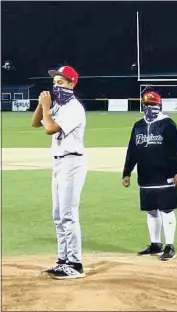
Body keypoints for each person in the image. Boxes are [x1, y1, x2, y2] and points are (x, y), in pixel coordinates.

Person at [31, 65, 87, 279]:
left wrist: (46, 106)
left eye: (61, 82)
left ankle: (75, 263)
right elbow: (36, 123)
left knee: (68, 214)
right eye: (54, 83)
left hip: (72, 162)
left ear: (72, 84)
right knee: (58, 216)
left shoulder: (74, 108)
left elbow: (50, 129)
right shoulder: (59, 107)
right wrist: (41, 105)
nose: (56, 86)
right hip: (59, 163)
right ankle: (63, 260)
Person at [122, 91, 177, 261]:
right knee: (151, 212)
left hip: (165, 175)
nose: (149, 108)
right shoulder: (138, 126)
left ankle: (170, 246)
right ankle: (155, 244)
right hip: (145, 176)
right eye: (146, 105)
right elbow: (132, 150)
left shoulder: (168, 124)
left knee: (166, 209)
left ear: (159, 105)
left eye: (153, 105)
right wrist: (127, 172)